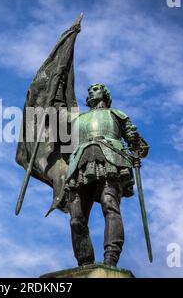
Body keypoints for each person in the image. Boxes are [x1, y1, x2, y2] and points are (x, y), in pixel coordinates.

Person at [64, 83, 149, 266]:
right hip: (81, 162)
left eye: (96, 88)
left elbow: (141, 148)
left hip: (111, 159)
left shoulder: (116, 115)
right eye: (89, 90)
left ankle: (110, 258)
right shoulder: (78, 120)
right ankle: (85, 262)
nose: (91, 91)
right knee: (76, 218)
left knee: (110, 205)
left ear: (105, 93)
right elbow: (62, 150)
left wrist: (134, 140)